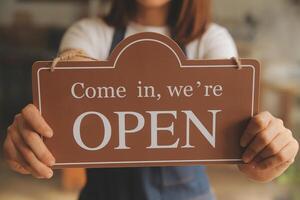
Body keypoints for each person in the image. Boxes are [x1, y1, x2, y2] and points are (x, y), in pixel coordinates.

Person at [3, 0, 299, 199]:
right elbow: (70, 69)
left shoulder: (211, 39)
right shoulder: (88, 32)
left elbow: (231, 125)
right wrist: (36, 136)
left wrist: (260, 155)